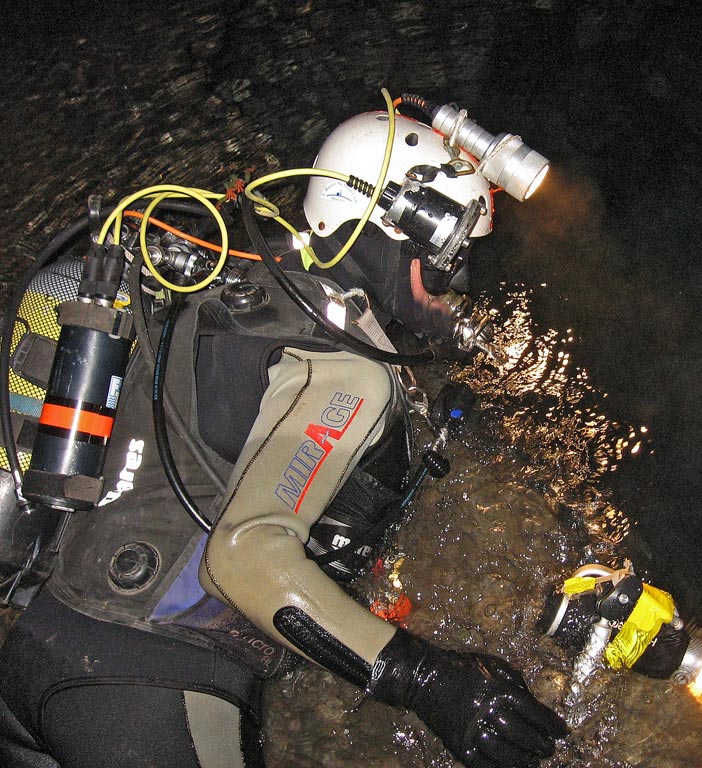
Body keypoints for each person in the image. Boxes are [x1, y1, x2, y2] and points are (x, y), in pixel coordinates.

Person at [0, 95, 567, 768]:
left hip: (40, 645)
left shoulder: (234, 286)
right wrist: (429, 681)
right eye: (449, 254)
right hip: (149, 685)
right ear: (388, 229)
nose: (458, 280)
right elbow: (244, 558)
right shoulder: (349, 369)